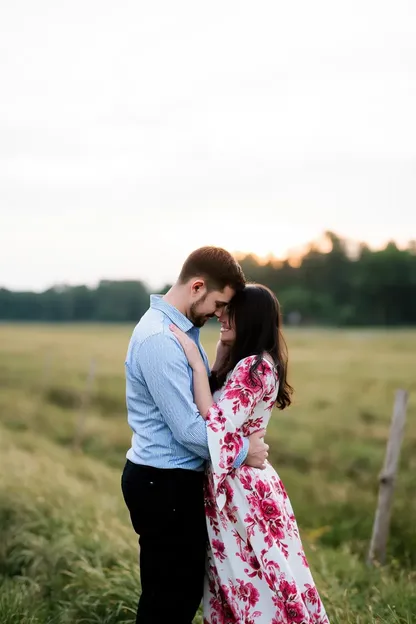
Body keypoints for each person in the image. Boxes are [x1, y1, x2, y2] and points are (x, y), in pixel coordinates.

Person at [121, 247, 270, 624]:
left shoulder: (180, 332)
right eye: (218, 304)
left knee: (175, 593)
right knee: (169, 599)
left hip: (167, 481)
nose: (219, 314)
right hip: (163, 482)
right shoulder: (160, 339)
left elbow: (205, 405)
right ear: (198, 286)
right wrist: (244, 452)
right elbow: (189, 430)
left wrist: (219, 354)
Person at [170, 283, 330, 624]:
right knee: (248, 580)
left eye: (230, 312)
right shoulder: (254, 363)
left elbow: (215, 421)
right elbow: (220, 401)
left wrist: (198, 367)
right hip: (244, 483)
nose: (221, 316)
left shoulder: (253, 368)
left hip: (242, 491)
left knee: (252, 582)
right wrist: (218, 353)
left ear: (250, 317)